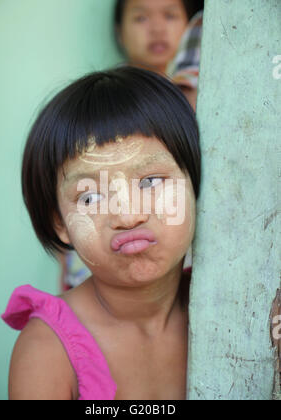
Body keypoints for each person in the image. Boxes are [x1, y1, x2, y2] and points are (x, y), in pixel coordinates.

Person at [1, 66, 201, 400]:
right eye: (90, 197)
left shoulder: (240, 306)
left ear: (195, 184)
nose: (128, 215)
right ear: (60, 224)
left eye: (150, 181)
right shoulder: (48, 350)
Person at [60, 0, 204, 292]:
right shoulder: (98, 102)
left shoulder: (199, 93)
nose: (156, 28)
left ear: (190, 26)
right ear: (119, 32)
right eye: (140, 18)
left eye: (170, 15)